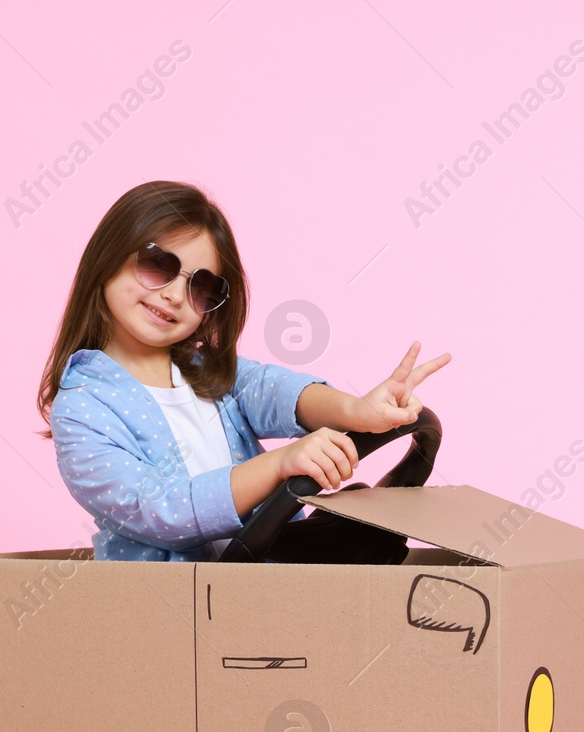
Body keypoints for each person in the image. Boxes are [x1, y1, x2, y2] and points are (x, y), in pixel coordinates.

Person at [35, 180, 450, 561]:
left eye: (201, 287)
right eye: (158, 264)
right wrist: (280, 464)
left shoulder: (207, 371)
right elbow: (159, 509)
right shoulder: (84, 408)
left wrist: (356, 411)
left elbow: (273, 390)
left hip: (263, 593)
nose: (176, 296)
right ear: (108, 255)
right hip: (170, 616)